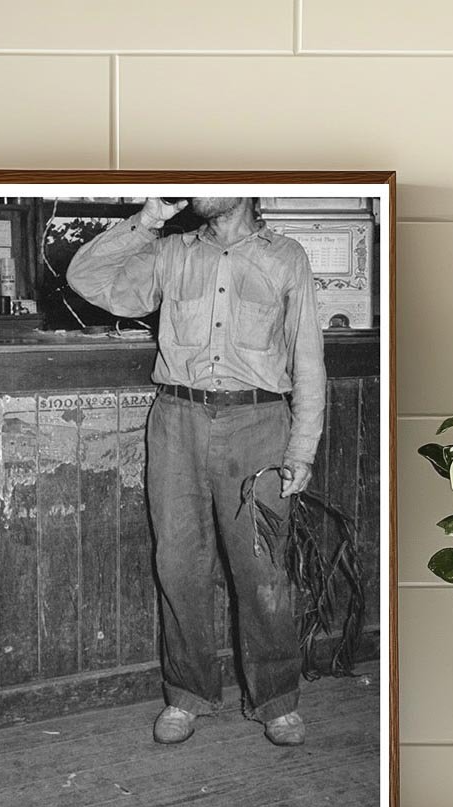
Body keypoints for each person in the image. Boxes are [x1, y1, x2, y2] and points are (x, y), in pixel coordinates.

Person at [67, 197, 326, 746]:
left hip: (260, 424)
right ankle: (186, 695)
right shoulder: (169, 253)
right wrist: (149, 218)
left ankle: (276, 699)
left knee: (264, 570)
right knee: (179, 563)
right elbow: (85, 276)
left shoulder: (287, 258)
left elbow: (308, 360)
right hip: (176, 421)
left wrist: (301, 449)